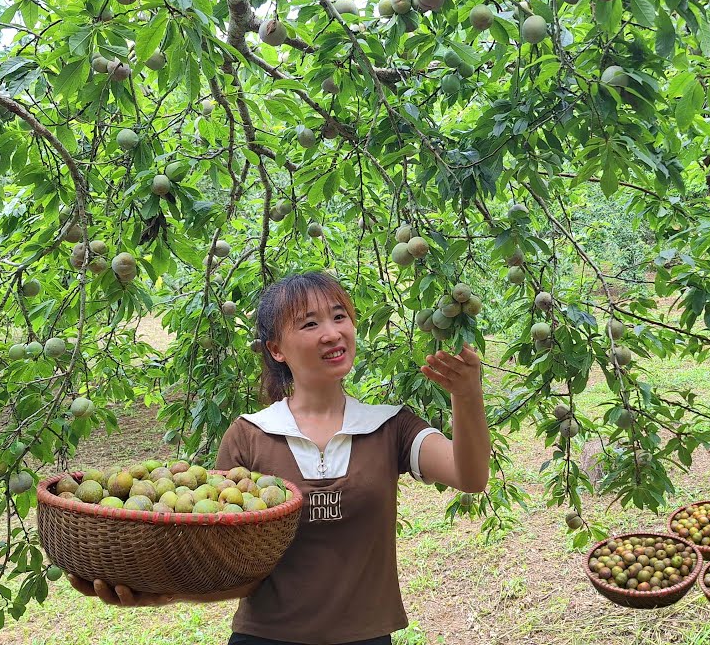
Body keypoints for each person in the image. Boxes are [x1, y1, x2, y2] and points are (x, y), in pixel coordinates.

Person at [69, 271, 492, 645]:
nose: (332, 333)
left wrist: (467, 395)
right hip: (265, 638)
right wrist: (164, 591)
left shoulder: (390, 426)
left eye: (339, 316)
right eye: (310, 323)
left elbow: (469, 476)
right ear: (276, 349)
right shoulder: (250, 434)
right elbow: (222, 559)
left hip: (366, 638)